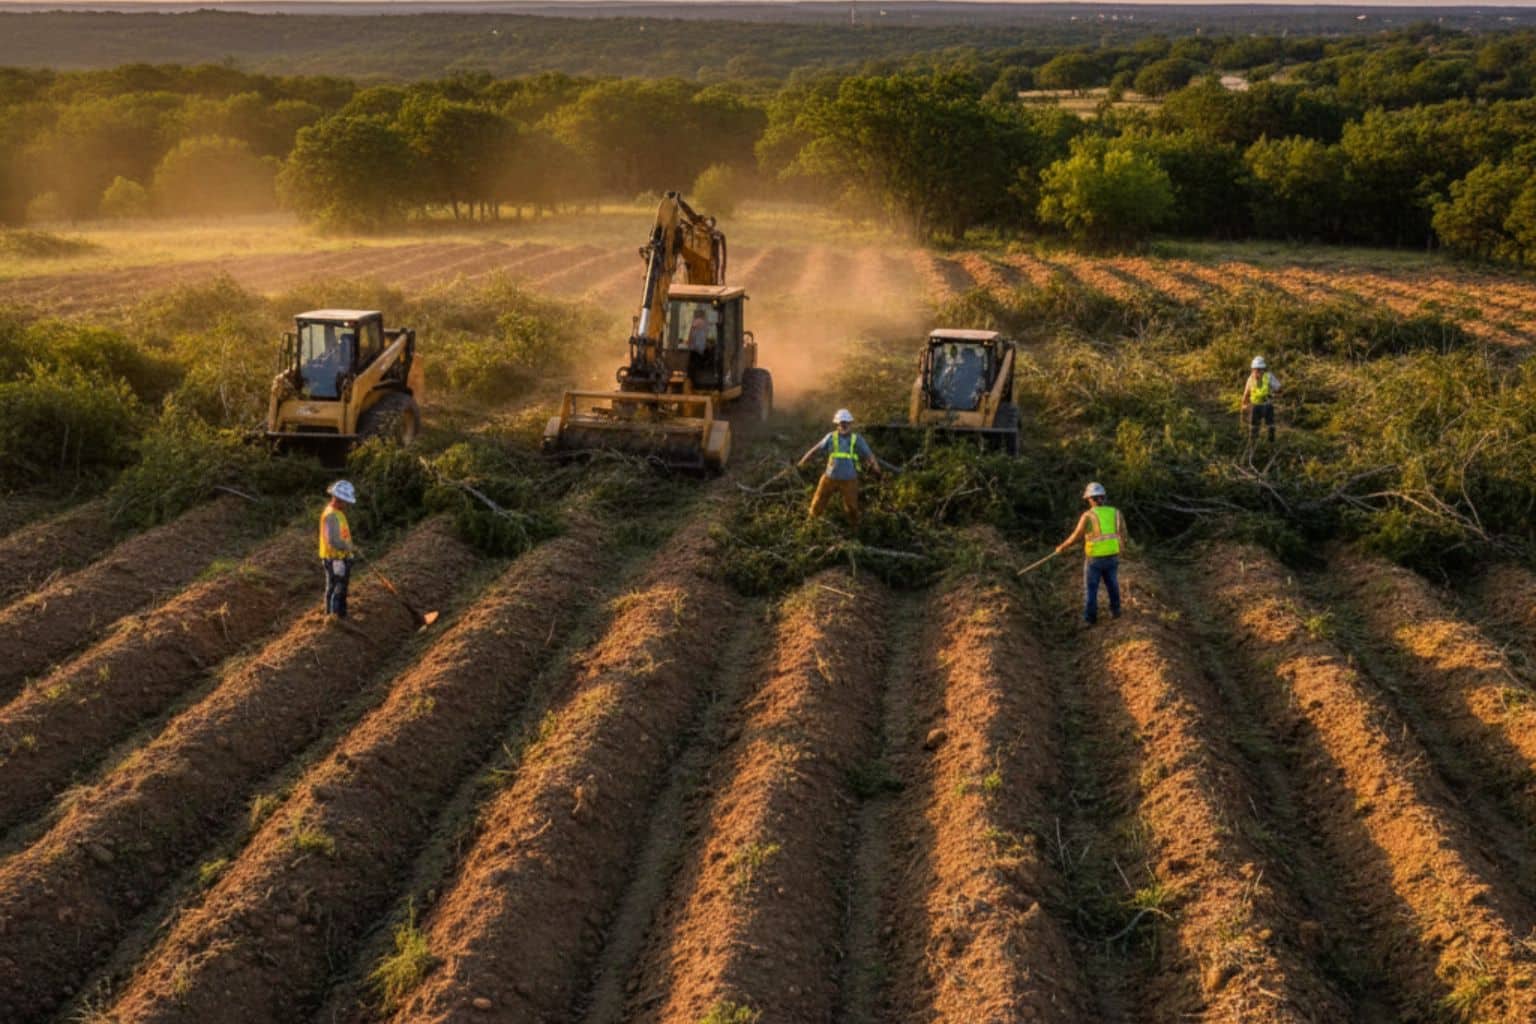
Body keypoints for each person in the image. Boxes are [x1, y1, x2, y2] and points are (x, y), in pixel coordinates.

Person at [1054, 482, 1125, 627]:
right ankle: (1116, 611)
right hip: (1112, 555)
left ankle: (1090, 619)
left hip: (1095, 558)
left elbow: (1076, 535)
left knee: (1091, 589)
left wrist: (1063, 547)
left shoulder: (1088, 515)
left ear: (1091, 499)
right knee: (1112, 584)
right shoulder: (1115, 512)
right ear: (1103, 497)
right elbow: (1123, 533)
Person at [797, 408, 884, 526]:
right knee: (818, 503)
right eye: (841, 423)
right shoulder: (830, 437)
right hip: (829, 478)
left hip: (849, 480)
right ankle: (810, 524)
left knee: (852, 508)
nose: (843, 425)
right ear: (837, 424)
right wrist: (802, 462)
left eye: (846, 423)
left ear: (850, 423)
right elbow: (815, 449)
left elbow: (869, 455)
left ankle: (854, 530)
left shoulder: (856, 439)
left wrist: (877, 470)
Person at [318, 479, 358, 618]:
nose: (347, 504)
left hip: (342, 557)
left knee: (341, 589)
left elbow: (342, 535)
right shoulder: (331, 515)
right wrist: (348, 546)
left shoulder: (338, 512)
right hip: (335, 559)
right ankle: (333, 618)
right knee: (336, 589)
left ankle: (341, 615)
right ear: (338, 498)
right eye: (345, 501)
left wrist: (349, 551)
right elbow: (333, 540)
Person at [1241, 356, 1281, 444]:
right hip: (1257, 406)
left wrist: (1243, 404)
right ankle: (1255, 445)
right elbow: (1246, 393)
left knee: (1269, 427)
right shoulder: (1255, 378)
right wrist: (1244, 404)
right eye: (1256, 369)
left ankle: (1269, 444)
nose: (1257, 371)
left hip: (1265, 405)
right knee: (1255, 427)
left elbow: (1278, 388)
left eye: (1259, 369)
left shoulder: (1268, 377)